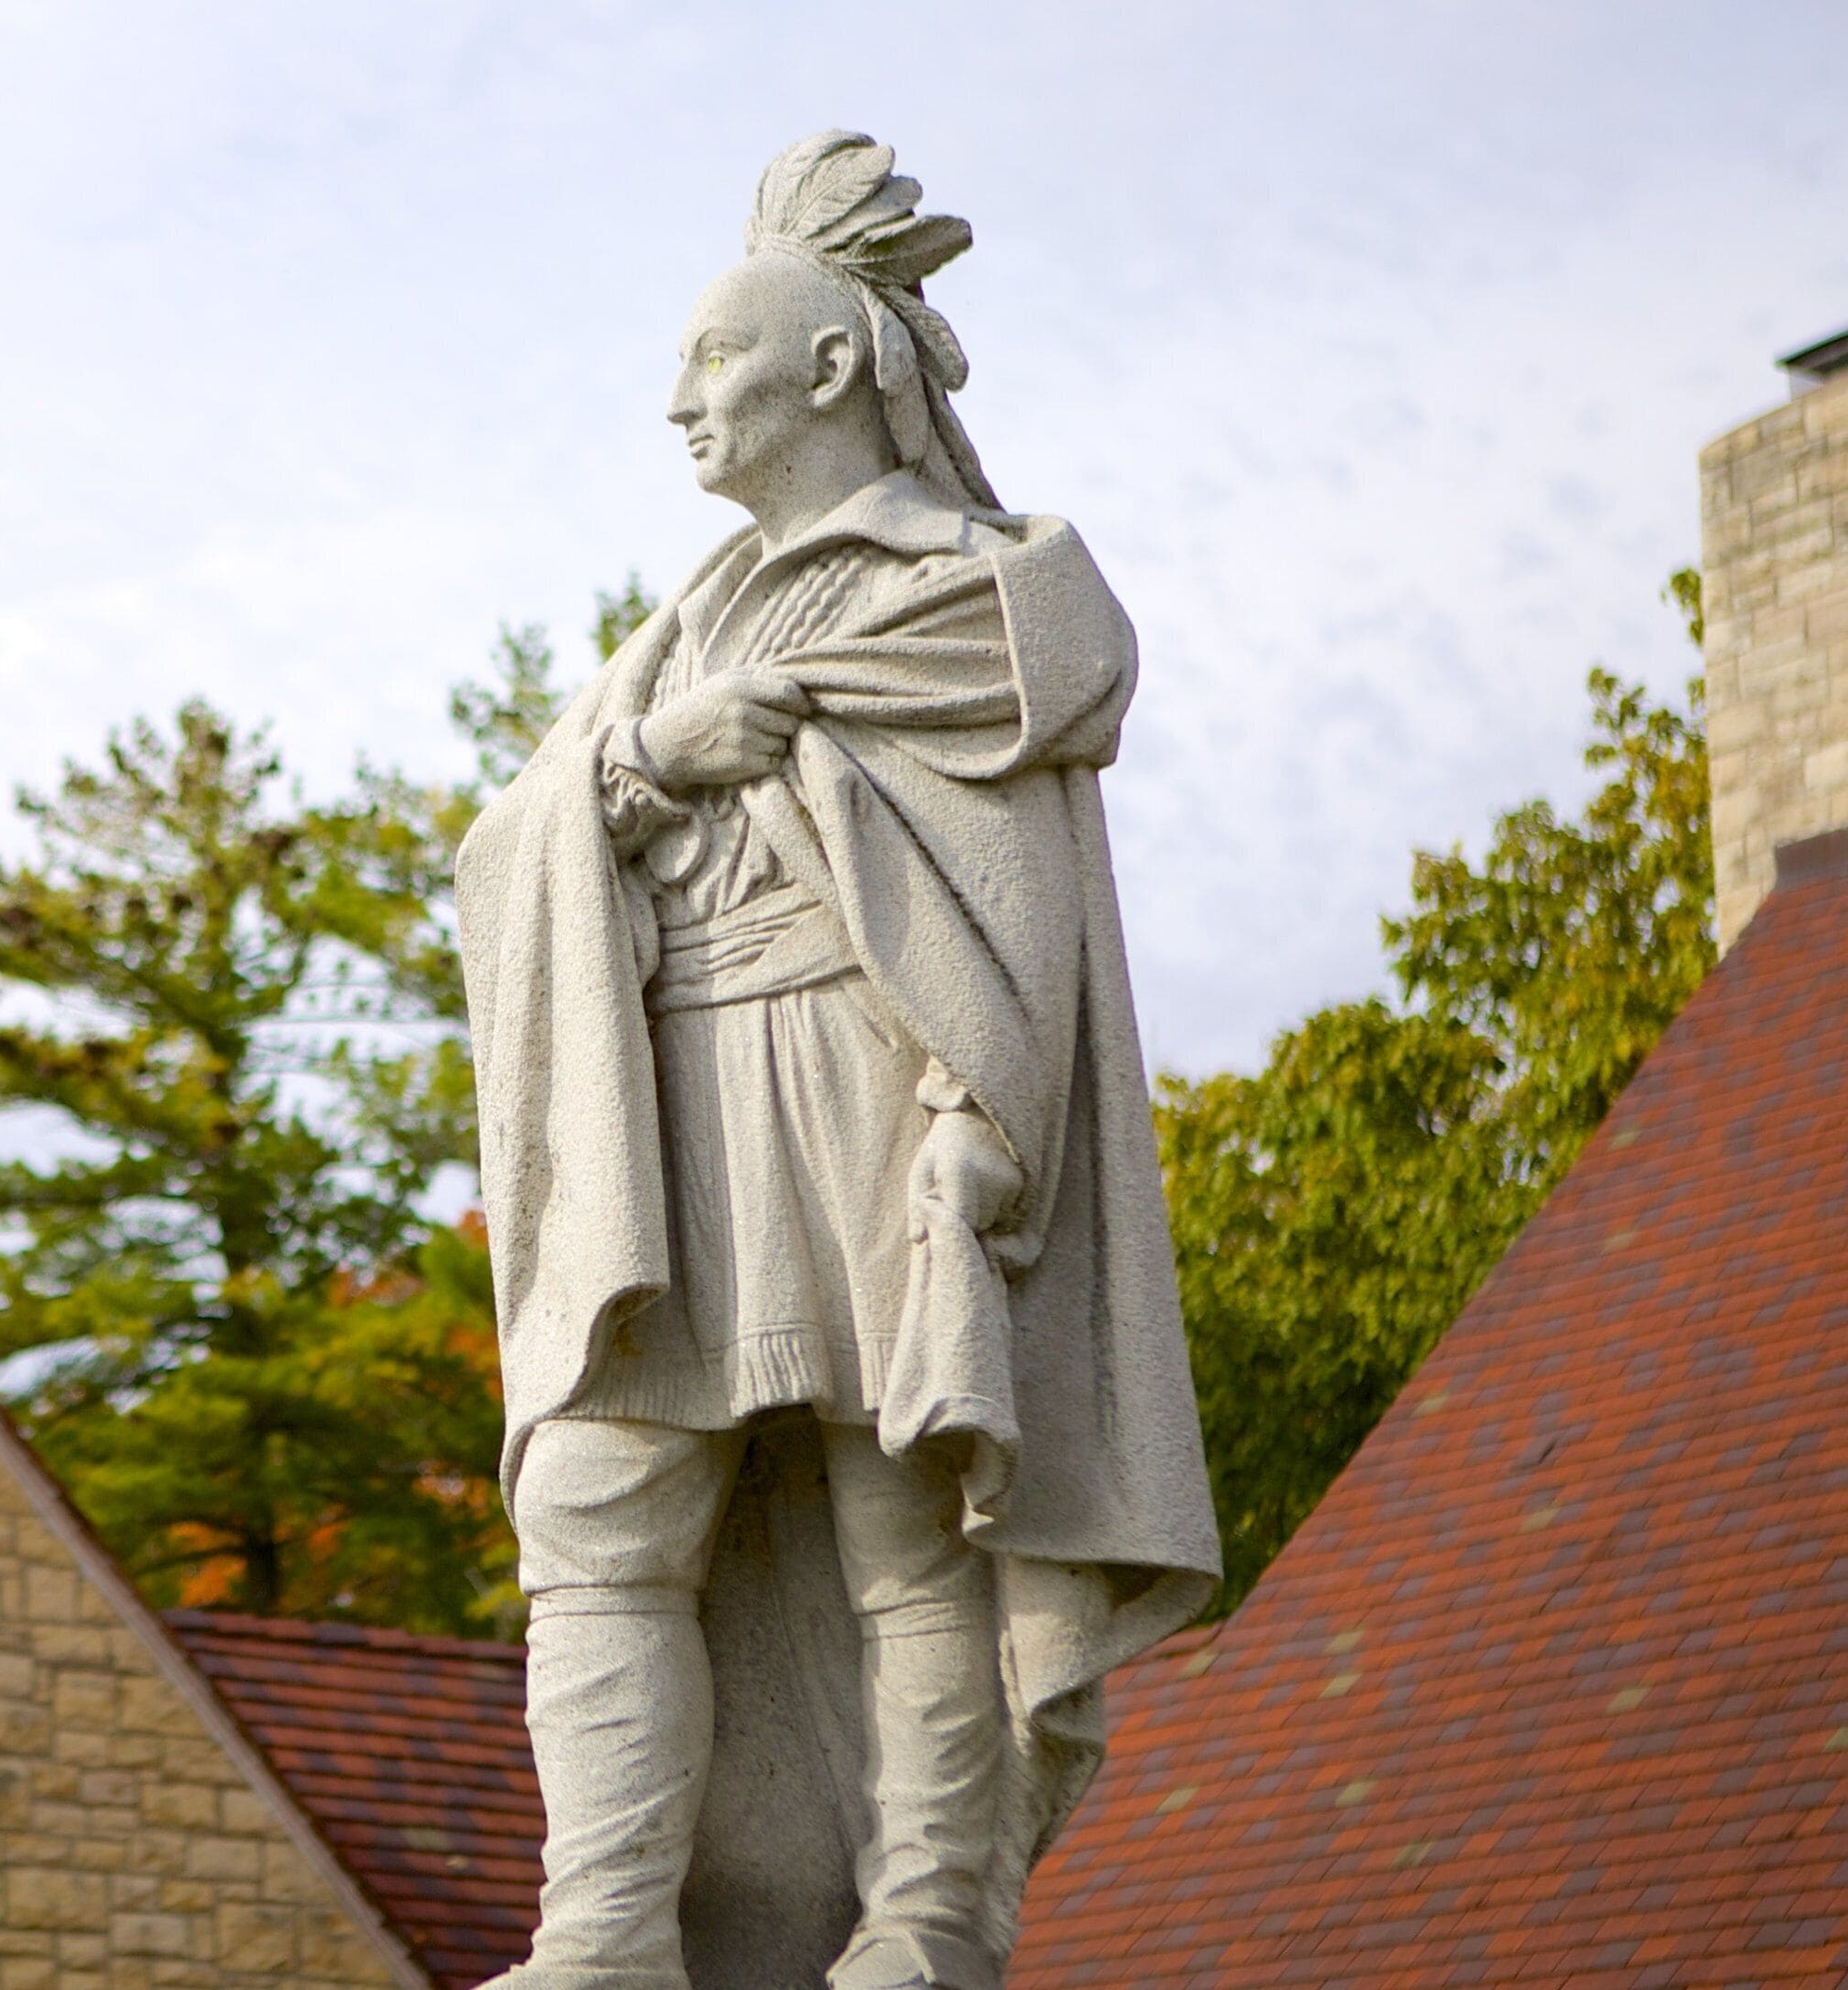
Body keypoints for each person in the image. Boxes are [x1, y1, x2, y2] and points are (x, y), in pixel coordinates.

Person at [455, 134, 1219, 1990]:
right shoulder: (680, 634)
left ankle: (930, 1922)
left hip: (874, 1076)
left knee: (908, 1506)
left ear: (828, 364)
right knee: (596, 1493)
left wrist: (987, 1125)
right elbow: (514, 845)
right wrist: (649, 763)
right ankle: (608, 1933)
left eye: (716, 355)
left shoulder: (991, 597)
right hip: (674, 1099)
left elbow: (1015, 904)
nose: (676, 399)